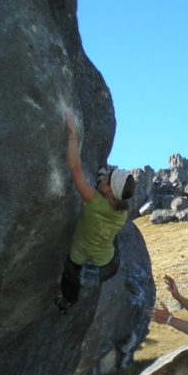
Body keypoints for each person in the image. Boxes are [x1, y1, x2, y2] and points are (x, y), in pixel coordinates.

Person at [54, 109, 135, 313]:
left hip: (80, 265)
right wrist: (102, 177)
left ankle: (67, 302)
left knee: (69, 281)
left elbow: (75, 168)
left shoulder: (92, 200)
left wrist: (72, 132)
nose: (106, 177)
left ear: (108, 190)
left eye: (107, 179)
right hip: (108, 266)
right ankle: (75, 291)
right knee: (113, 240)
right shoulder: (122, 209)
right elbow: (107, 190)